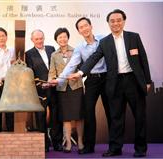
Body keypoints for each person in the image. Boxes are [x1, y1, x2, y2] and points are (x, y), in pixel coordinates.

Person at [69, 9, 152, 157]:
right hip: (115, 83)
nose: (116, 23)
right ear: (108, 23)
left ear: (124, 21)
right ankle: (115, 148)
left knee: (139, 116)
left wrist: (147, 80)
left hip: (134, 81)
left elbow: (143, 59)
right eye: (112, 21)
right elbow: (94, 58)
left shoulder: (134, 37)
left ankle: (140, 149)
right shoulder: (105, 42)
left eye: (118, 20)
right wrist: (81, 73)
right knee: (116, 118)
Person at [50, 17, 111, 154]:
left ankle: (114, 146)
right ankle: (89, 146)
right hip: (91, 80)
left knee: (111, 112)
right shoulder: (79, 48)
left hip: (107, 78)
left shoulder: (104, 39)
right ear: (78, 31)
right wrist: (59, 79)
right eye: (81, 27)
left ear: (91, 26)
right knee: (88, 113)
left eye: (86, 26)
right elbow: (71, 65)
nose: (84, 29)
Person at [47, 28, 84, 153]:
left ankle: (80, 141)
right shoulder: (54, 54)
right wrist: (50, 81)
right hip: (62, 89)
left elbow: (82, 68)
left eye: (64, 36)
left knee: (79, 116)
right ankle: (68, 143)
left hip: (76, 87)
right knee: (66, 118)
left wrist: (78, 75)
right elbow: (52, 72)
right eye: (59, 37)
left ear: (68, 37)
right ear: (56, 40)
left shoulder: (76, 51)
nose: (62, 39)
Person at [25, 29, 63, 152]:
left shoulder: (52, 48)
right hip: (40, 90)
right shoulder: (28, 54)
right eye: (37, 39)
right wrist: (40, 85)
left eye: (41, 38)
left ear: (44, 38)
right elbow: (29, 73)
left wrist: (57, 79)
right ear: (32, 40)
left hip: (55, 88)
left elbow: (58, 66)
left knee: (56, 116)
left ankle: (57, 143)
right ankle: (44, 144)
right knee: (40, 118)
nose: (39, 41)